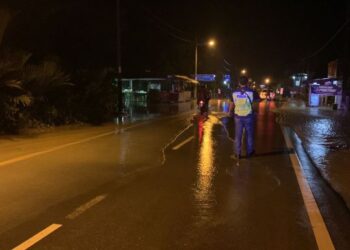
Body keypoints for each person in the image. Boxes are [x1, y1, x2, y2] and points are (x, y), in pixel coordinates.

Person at [230, 76, 259, 159]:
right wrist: (256, 111)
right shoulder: (252, 92)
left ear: (239, 83)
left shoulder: (234, 92)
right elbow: (255, 104)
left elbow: (232, 104)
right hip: (249, 116)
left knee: (238, 135)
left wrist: (230, 112)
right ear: (247, 83)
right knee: (249, 135)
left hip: (238, 117)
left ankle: (237, 154)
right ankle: (250, 152)